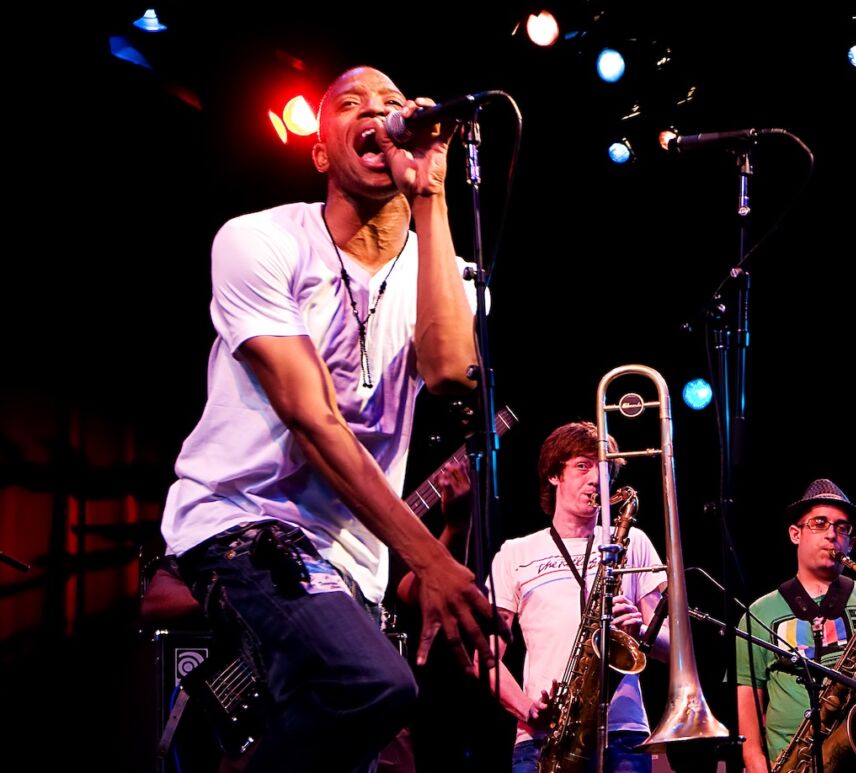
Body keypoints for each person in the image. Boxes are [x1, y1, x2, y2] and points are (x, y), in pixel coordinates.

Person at [159, 65, 502, 773]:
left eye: (391, 103)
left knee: (347, 732)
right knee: (371, 683)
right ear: (321, 152)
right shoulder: (259, 242)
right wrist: (430, 557)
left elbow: (446, 372)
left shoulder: (454, 277)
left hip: (350, 557)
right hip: (239, 517)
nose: (377, 112)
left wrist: (430, 194)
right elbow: (312, 421)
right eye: (352, 104)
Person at [486, 421, 670, 773]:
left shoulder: (635, 541)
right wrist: (526, 709)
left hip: (624, 733)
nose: (596, 478)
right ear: (555, 475)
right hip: (544, 735)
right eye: (583, 465)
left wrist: (640, 633)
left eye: (604, 468)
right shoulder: (516, 553)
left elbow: (674, 648)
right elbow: (487, 655)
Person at [735, 479, 856, 773]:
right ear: (795, 533)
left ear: (851, 542)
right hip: (797, 764)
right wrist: (757, 766)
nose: (831, 535)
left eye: (842, 528)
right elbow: (749, 715)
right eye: (819, 523)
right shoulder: (757, 614)